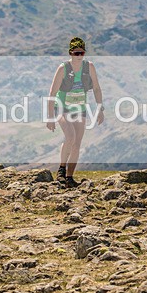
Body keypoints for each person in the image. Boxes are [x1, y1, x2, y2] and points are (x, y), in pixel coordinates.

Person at [46, 37, 104, 188]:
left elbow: (97, 88)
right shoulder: (63, 68)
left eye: (82, 53)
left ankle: (69, 177)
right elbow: (52, 93)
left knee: (77, 143)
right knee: (70, 136)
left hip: (79, 108)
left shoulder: (89, 67)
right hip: (62, 107)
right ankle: (61, 169)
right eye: (76, 53)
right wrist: (50, 117)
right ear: (71, 53)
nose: (79, 56)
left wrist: (100, 109)